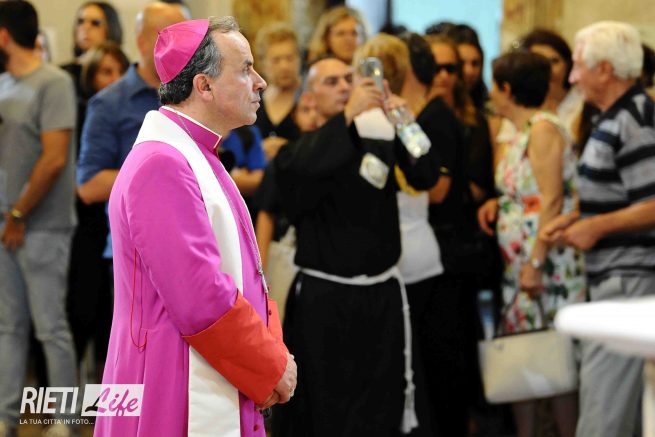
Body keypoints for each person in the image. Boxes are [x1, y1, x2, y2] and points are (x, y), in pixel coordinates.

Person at [94, 17, 295, 437]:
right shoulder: (162, 164)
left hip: (203, 359)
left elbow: (246, 274)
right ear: (204, 86)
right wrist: (270, 363)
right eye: (246, 69)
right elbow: (200, 297)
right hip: (168, 378)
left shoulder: (196, 153)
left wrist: (271, 349)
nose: (260, 82)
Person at [273, 55, 440, 436]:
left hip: (381, 297)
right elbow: (299, 170)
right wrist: (348, 116)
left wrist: (405, 122)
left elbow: (427, 173)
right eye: (332, 82)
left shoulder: (378, 139)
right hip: (325, 302)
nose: (346, 86)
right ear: (309, 97)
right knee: (326, 408)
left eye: (349, 78)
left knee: (382, 403)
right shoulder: (297, 150)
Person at [541, 21, 655, 437]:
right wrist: (576, 218)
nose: (571, 78)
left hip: (631, 278)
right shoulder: (612, 117)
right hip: (616, 275)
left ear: (605, 69)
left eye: (577, 66)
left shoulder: (634, 119)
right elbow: (619, 192)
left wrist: (597, 227)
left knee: (601, 415)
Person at [477, 51, 586, 437]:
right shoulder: (519, 131)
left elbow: (552, 199)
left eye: (495, 85)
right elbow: (523, 190)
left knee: (554, 356)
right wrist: (498, 204)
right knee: (523, 353)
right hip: (520, 263)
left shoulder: (542, 129)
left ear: (507, 89)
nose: (491, 93)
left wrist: (535, 262)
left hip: (546, 263)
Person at [0, 2, 78, 437]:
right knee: (8, 327)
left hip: (42, 225)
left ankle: (66, 420)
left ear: (3, 36)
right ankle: (6, 417)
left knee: (50, 327)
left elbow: (53, 160)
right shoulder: (3, 84)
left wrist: (18, 212)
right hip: (5, 225)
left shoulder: (54, 83)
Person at [76, 2, 184, 208]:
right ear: (142, 42)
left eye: (186, 39)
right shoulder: (109, 103)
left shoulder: (194, 94)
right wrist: (160, 173)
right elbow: (89, 185)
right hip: (137, 225)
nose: (181, 48)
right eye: (171, 38)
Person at [520, 29, 584, 135]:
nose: (548, 70)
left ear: (568, 64)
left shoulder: (583, 103)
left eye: (554, 61)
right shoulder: (520, 103)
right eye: (539, 62)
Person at [254, 22, 302, 161]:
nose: (284, 66)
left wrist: (288, 148)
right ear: (263, 64)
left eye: (290, 58)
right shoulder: (253, 99)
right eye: (276, 60)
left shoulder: (310, 97)